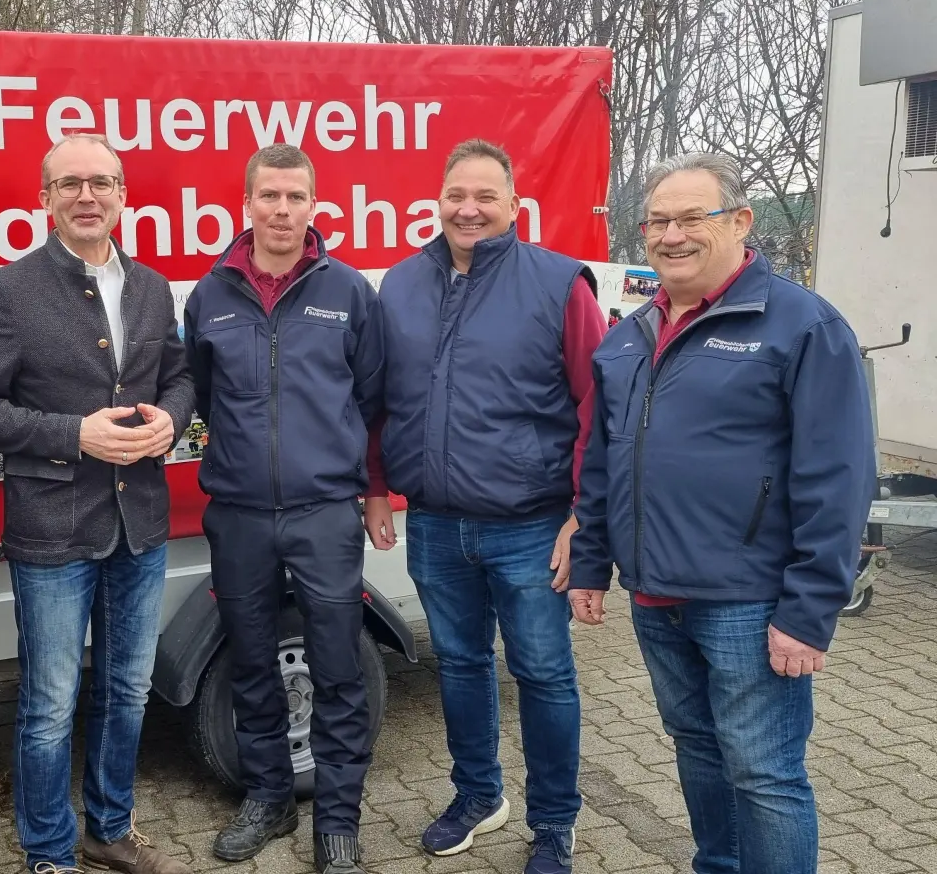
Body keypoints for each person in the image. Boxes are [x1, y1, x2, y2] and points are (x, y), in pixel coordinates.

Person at [568, 152, 876, 874]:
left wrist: (808, 610)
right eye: (657, 221)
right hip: (655, 599)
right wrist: (589, 563)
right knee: (699, 751)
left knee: (765, 774)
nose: (671, 235)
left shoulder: (801, 325)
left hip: (748, 602)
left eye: (690, 218)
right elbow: (604, 462)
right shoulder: (629, 337)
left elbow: (840, 477)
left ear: (740, 222)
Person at [0, 133, 195, 874]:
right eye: (70, 184)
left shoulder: (151, 287)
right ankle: (49, 851)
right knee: (50, 706)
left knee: (128, 690)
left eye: (103, 182)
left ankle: (109, 829)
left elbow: (180, 378)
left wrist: (172, 420)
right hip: (52, 532)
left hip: (138, 526)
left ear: (123, 195)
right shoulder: (8, 291)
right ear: (44, 198)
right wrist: (71, 435)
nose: (88, 196)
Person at [363, 139, 605, 874]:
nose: (468, 209)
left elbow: (599, 406)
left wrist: (583, 515)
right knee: (461, 666)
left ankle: (555, 822)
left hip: (532, 526)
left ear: (513, 205)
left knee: (543, 673)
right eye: (456, 195)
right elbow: (378, 399)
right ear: (438, 199)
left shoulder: (561, 285)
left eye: (485, 197)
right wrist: (376, 486)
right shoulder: (400, 285)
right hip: (435, 523)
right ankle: (477, 796)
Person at [183, 142, 385, 874]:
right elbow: (204, 396)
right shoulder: (211, 296)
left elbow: (372, 400)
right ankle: (269, 799)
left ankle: (337, 823)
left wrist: (371, 492)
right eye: (269, 197)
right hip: (237, 512)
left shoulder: (348, 292)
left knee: (337, 668)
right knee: (252, 665)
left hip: (324, 513)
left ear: (313, 205)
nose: (282, 210)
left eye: (295, 198)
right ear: (247, 204)